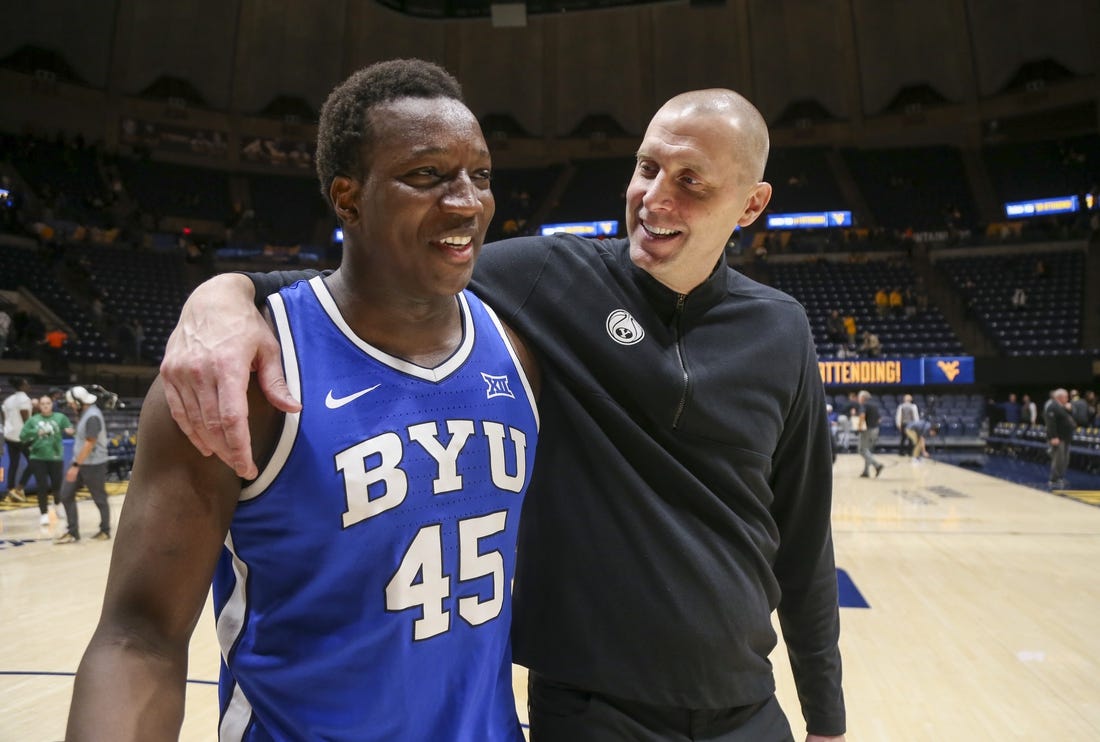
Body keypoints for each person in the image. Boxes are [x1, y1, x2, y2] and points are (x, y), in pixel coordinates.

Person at [159, 86, 846, 740]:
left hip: (745, 704)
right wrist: (226, 294)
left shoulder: (781, 330)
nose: (653, 197)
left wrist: (826, 715)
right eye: (646, 167)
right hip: (592, 710)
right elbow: (372, 279)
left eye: (690, 181)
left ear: (751, 205)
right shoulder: (552, 277)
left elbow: (804, 537)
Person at [67, 60, 540, 741]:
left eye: (481, 175)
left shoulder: (521, 350)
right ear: (348, 199)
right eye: (427, 175)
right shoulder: (242, 374)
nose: (467, 201)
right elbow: (138, 637)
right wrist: (224, 290)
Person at [53, 386, 112, 544]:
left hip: (93, 464)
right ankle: (72, 532)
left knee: (99, 498)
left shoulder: (92, 416)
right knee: (65, 494)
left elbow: (89, 443)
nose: (71, 406)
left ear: (79, 402)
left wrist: (75, 465)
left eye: (72, 403)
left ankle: (105, 530)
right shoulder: (85, 413)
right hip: (82, 462)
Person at [19, 394, 72, 526]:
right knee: (41, 486)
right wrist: (36, 432)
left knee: (57, 485)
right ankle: (43, 513)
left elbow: (71, 429)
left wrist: (72, 431)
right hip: (38, 457)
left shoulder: (60, 417)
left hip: (56, 457)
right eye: (42, 404)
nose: (45, 406)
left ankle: (58, 505)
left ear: (52, 404)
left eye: (48, 403)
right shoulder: (33, 420)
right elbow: (22, 436)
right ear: (39, 406)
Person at [2, 376, 33, 502]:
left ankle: (10, 490)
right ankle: (19, 489)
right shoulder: (24, 399)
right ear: (21, 386)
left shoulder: (7, 400)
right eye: (26, 383)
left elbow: (3, 418)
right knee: (34, 462)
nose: (29, 385)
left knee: (13, 464)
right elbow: (26, 420)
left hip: (9, 436)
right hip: (22, 436)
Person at [1044, 388, 1075, 488]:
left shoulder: (1063, 407)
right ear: (1060, 397)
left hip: (1066, 438)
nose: (1068, 398)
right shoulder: (1053, 407)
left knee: (1065, 459)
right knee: (1058, 459)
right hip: (1058, 438)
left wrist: (1069, 410)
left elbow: (1069, 419)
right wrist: (1053, 437)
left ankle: (1060, 477)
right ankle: (1054, 479)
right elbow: (1050, 424)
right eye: (1066, 397)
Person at [857, 390, 884, 478]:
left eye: (859, 397)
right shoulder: (875, 405)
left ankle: (877, 465)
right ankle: (866, 472)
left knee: (862, 450)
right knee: (867, 451)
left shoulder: (864, 405)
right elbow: (880, 419)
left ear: (863, 398)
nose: (858, 399)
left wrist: (859, 428)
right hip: (876, 430)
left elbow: (862, 416)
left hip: (867, 430)